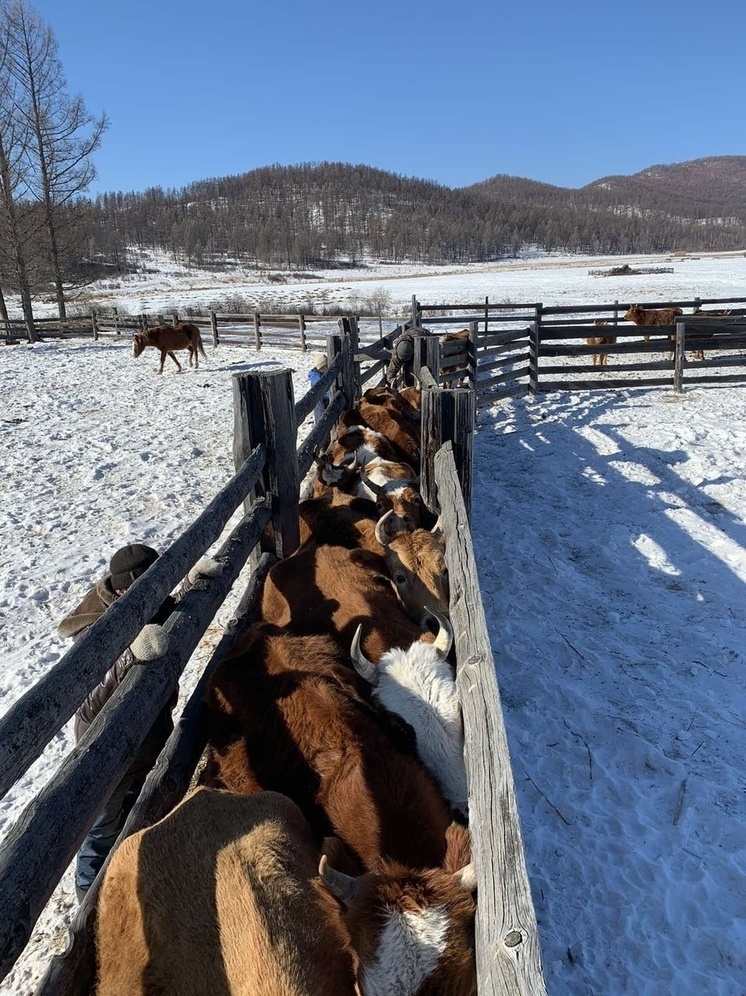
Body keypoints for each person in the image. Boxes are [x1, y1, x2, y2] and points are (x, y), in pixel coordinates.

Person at [57, 542, 222, 901]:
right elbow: (87, 702)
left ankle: (130, 873)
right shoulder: (95, 630)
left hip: (147, 737)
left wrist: (189, 586)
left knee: (135, 810)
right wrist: (128, 656)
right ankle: (89, 902)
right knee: (99, 830)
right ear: (123, 590)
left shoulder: (145, 601)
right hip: (105, 752)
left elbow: (166, 609)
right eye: (150, 584)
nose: (157, 592)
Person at [308, 352, 330, 422]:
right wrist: (331, 393)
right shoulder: (316, 377)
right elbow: (323, 389)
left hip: (324, 399)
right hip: (321, 401)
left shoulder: (321, 373)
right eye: (325, 366)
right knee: (321, 418)